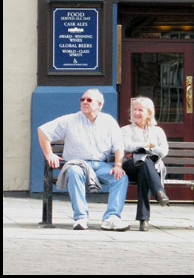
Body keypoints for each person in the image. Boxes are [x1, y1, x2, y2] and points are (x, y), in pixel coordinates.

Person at [37, 88, 129, 231]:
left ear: (99, 104)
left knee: (120, 178)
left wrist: (118, 165)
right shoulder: (70, 120)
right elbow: (43, 130)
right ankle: (80, 217)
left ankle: (111, 218)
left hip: (100, 165)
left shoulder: (108, 121)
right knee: (74, 171)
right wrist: (49, 154)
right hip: (77, 163)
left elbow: (119, 146)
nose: (84, 102)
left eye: (89, 100)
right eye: (82, 99)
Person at [121, 97, 170, 231]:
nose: (136, 113)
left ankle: (143, 220)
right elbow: (127, 145)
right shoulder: (125, 130)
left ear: (149, 113)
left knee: (145, 167)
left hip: (149, 168)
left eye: (140, 110)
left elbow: (164, 151)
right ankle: (159, 191)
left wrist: (143, 150)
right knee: (144, 162)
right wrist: (148, 146)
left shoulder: (157, 131)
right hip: (130, 167)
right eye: (134, 110)